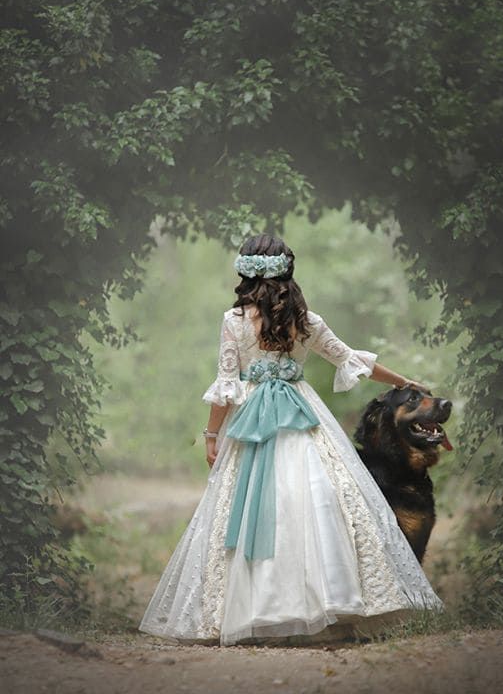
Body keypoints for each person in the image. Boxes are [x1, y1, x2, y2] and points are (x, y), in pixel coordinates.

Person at [139, 234, 445, 646]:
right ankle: (328, 608)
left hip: (251, 423)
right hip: (304, 417)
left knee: (250, 509)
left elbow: (227, 384)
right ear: (288, 271)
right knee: (316, 503)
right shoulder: (305, 321)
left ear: (244, 272)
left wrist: (212, 435)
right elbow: (349, 357)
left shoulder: (234, 322)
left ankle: (254, 611)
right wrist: (404, 380)